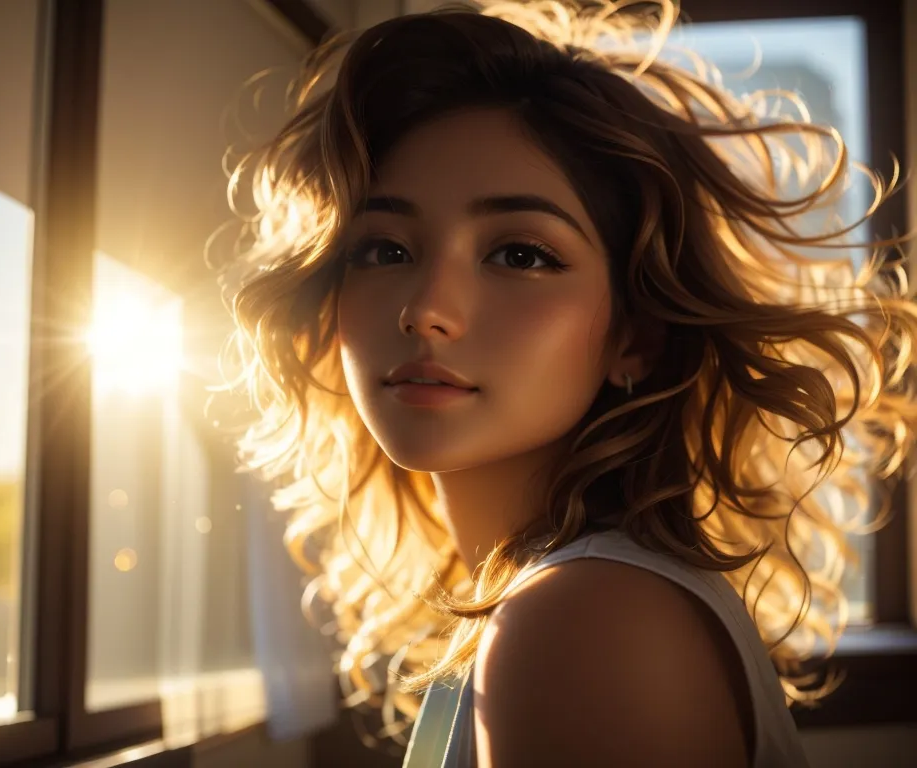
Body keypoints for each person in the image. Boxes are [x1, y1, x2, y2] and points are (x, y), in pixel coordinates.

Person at [211, 1, 917, 765]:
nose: (426, 311)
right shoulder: (564, 599)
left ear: (636, 337)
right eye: (383, 250)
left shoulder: (581, 619)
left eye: (519, 255)